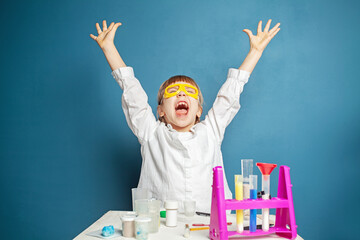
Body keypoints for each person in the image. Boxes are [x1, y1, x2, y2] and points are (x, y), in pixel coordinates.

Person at [90, 19, 280, 213]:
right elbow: (133, 94)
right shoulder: (151, 133)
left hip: (210, 224)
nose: (181, 94)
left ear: (198, 110)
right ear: (161, 111)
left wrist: (255, 52)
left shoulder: (211, 130)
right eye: (173, 92)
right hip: (161, 226)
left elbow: (229, 96)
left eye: (189, 91)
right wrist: (109, 49)